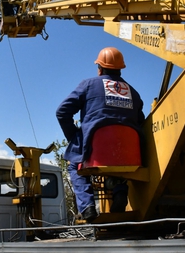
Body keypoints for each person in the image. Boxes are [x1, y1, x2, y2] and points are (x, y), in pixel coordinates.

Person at [56, 47, 145, 222]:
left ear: (100, 68)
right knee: (118, 164)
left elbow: (62, 112)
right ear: (120, 68)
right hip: (128, 153)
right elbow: (140, 121)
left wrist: (74, 138)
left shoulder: (89, 85)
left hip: (96, 147)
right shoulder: (133, 93)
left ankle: (88, 206)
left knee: (74, 165)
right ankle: (120, 191)